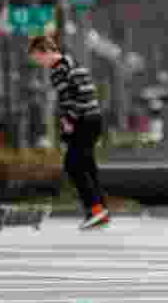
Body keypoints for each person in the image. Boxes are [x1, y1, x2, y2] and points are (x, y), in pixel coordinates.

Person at [26, 35, 109, 230]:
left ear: (45, 51)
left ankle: (96, 211)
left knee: (73, 165)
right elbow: (83, 93)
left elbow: (70, 99)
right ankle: (99, 210)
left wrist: (68, 120)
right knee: (87, 164)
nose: (39, 63)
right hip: (94, 117)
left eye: (38, 58)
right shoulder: (72, 61)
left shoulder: (58, 69)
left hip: (83, 119)